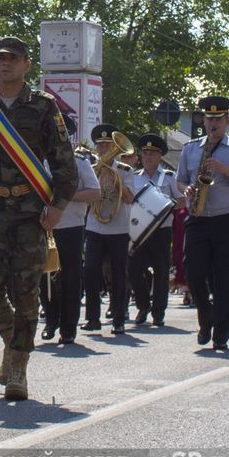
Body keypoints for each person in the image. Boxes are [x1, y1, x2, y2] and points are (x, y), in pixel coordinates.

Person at [0, 36, 77, 400]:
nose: (5, 64)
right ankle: (14, 341)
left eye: (12, 59)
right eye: (0, 59)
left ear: (27, 64)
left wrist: (58, 205)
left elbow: (63, 162)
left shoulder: (44, 108)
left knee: (26, 291)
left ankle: (18, 367)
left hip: (30, 213)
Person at [176, 96, 229, 351]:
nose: (212, 123)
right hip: (198, 217)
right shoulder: (191, 148)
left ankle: (221, 334)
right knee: (194, 271)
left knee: (224, 277)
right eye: (209, 118)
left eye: (217, 119)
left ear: (227, 121)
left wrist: (223, 169)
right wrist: (186, 189)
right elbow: (180, 180)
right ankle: (205, 318)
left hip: (228, 218)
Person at [40, 115, 101, 344]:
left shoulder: (79, 161)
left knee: (69, 278)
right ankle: (50, 321)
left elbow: (95, 193)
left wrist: (66, 196)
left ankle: (68, 328)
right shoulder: (38, 160)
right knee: (44, 277)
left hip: (71, 226)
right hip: (45, 226)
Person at [83, 124, 134, 335]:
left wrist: (115, 177)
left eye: (108, 145)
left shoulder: (125, 170)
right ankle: (92, 318)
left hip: (118, 229)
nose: (104, 149)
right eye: (100, 145)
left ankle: (119, 319)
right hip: (95, 228)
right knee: (90, 271)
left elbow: (130, 199)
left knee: (118, 275)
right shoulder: (89, 168)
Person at [128, 133, 183, 328]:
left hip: (161, 230)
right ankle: (143, 305)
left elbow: (183, 200)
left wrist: (167, 205)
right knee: (134, 269)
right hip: (138, 230)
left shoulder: (169, 177)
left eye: (152, 153)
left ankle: (158, 312)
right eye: (145, 153)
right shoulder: (133, 177)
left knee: (160, 272)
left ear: (160, 156)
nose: (148, 157)